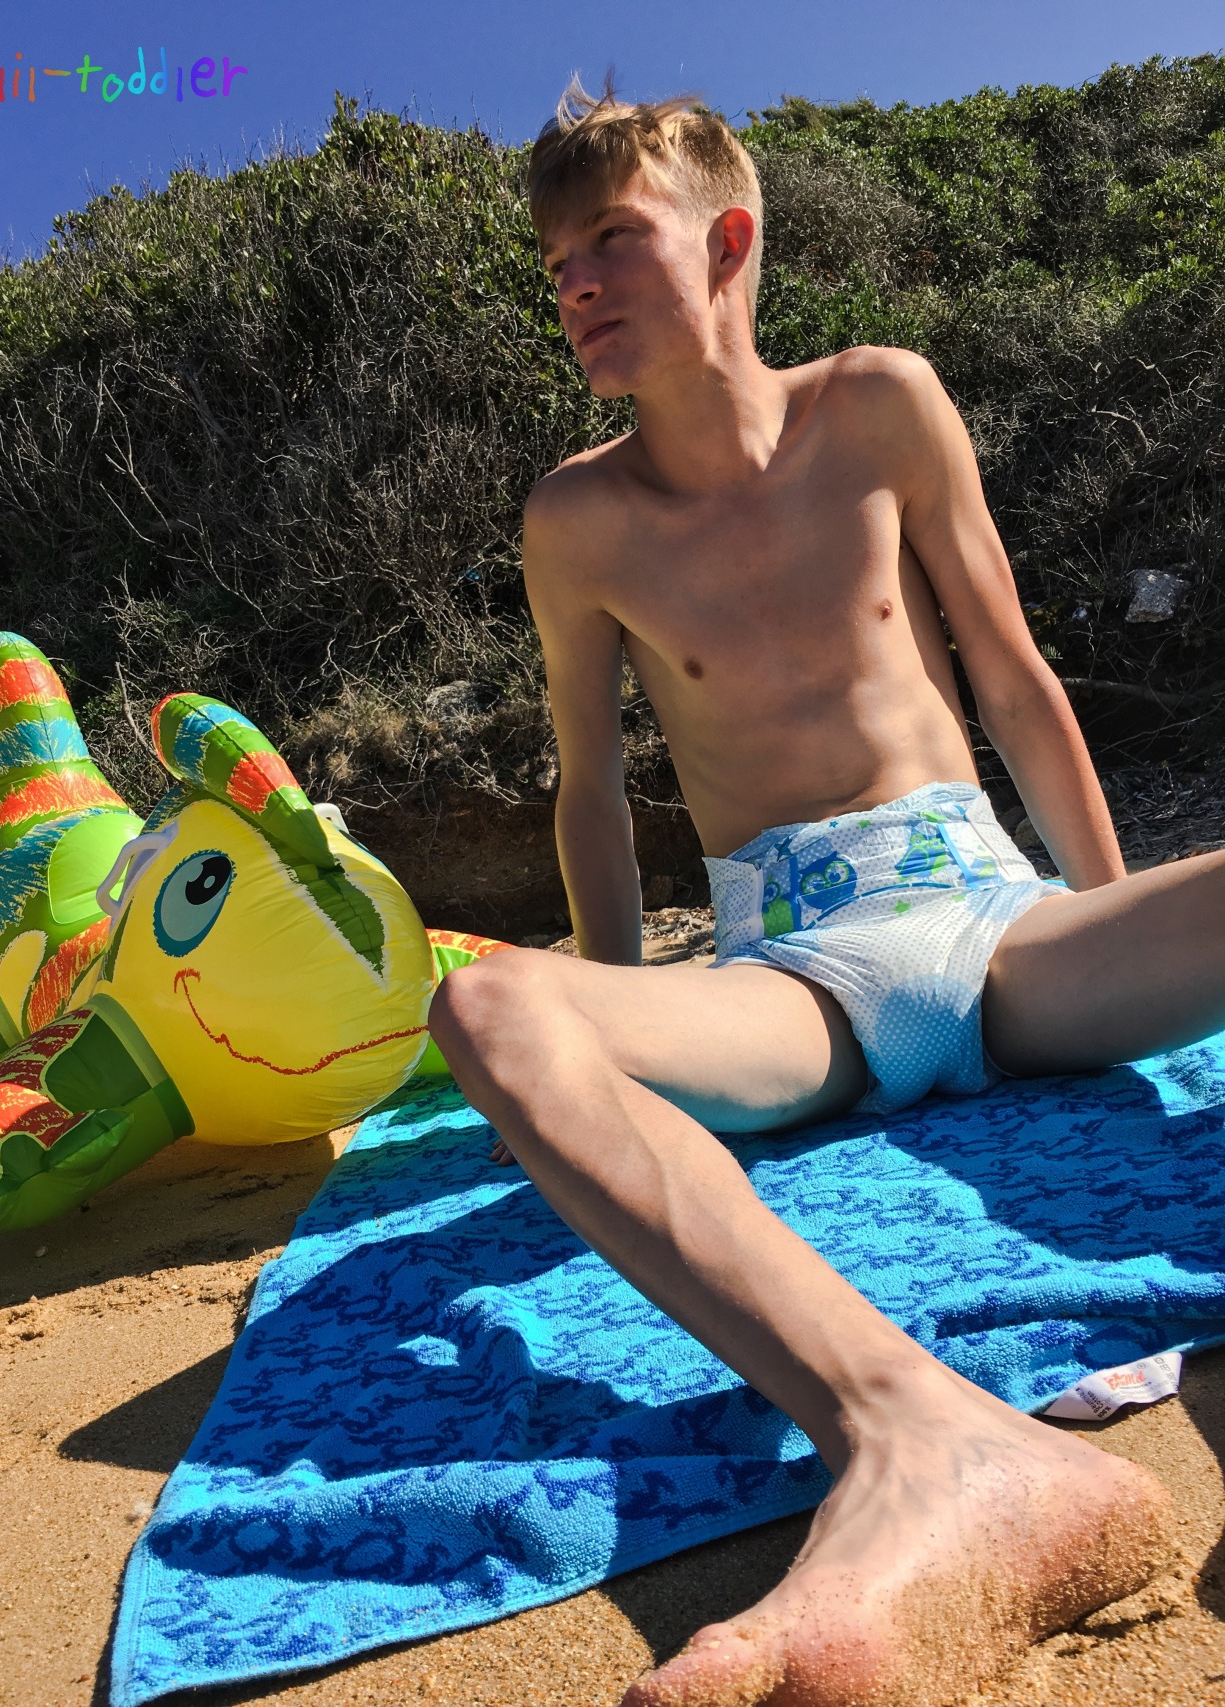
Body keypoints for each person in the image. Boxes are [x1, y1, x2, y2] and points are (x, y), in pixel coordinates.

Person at [427, 79, 1202, 1707]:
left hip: (998, 925)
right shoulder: (577, 518)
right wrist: (610, 1032)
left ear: (727, 242)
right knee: (490, 1006)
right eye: (557, 260)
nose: (574, 282)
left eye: (610, 240)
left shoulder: (880, 405)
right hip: (794, 981)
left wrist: (1117, 925)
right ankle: (916, 1439)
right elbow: (590, 795)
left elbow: (1013, 677)